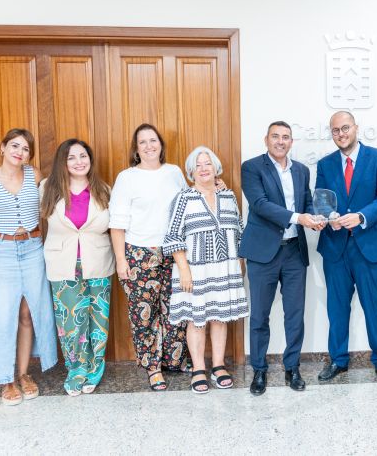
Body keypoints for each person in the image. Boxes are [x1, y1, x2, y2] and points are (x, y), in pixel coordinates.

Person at [0, 128, 57, 405]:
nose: (20, 152)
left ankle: (24, 373)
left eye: (26, 149)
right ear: (2, 147)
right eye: (15, 146)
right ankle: (6, 380)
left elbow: (49, 207)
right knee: (0, 318)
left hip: (32, 249)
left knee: (28, 313)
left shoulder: (35, 176)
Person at [315, 111, 377, 385]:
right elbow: (320, 201)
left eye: (345, 128)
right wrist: (329, 218)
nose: (341, 134)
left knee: (375, 306)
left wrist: (361, 217)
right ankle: (338, 360)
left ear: (356, 128)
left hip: (371, 247)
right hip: (336, 248)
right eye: (336, 130)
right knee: (336, 308)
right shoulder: (325, 164)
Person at [240, 122, 324, 396]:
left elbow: (307, 202)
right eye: (275, 136)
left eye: (285, 137)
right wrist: (298, 218)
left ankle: (292, 368)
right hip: (263, 252)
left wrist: (315, 218)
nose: (280, 141)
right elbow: (260, 205)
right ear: (266, 139)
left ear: (291, 141)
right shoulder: (252, 167)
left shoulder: (301, 170)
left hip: (293, 252)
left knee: (295, 314)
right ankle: (259, 370)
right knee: (260, 316)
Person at [109, 123, 189, 391]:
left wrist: (216, 183)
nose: (148, 146)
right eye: (142, 142)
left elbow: (189, 203)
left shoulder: (174, 172)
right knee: (144, 316)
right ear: (136, 148)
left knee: (175, 309)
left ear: (161, 144)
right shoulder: (126, 177)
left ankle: (173, 360)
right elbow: (117, 224)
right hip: (139, 253)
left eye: (153, 140)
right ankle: (152, 367)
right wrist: (121, 261)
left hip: (173, 250)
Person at [163, 146, 248, 394]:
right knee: (197, 319)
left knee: (220, 318)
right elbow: (173, 237)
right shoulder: (183, 198)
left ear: (216, 169)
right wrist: (184, 270)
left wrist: (239, 265)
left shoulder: (228, 197)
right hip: (194, 270)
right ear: (191, 171)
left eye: (207, 164)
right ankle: (199, 367)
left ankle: (218, 365)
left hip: (226, 268)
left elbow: (239, 233)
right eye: (198, 165)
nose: (203, 168)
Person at [41, 139, 114, 395]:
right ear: (63, 162)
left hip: (98, 262)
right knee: (70, 321)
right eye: (72, 157)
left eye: (83, 156)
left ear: (90, 160)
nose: (79, 161)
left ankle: (94, 368)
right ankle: (76, 369)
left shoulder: (104, 190)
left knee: (98, 320)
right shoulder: (47, 189)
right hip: (63, 263)